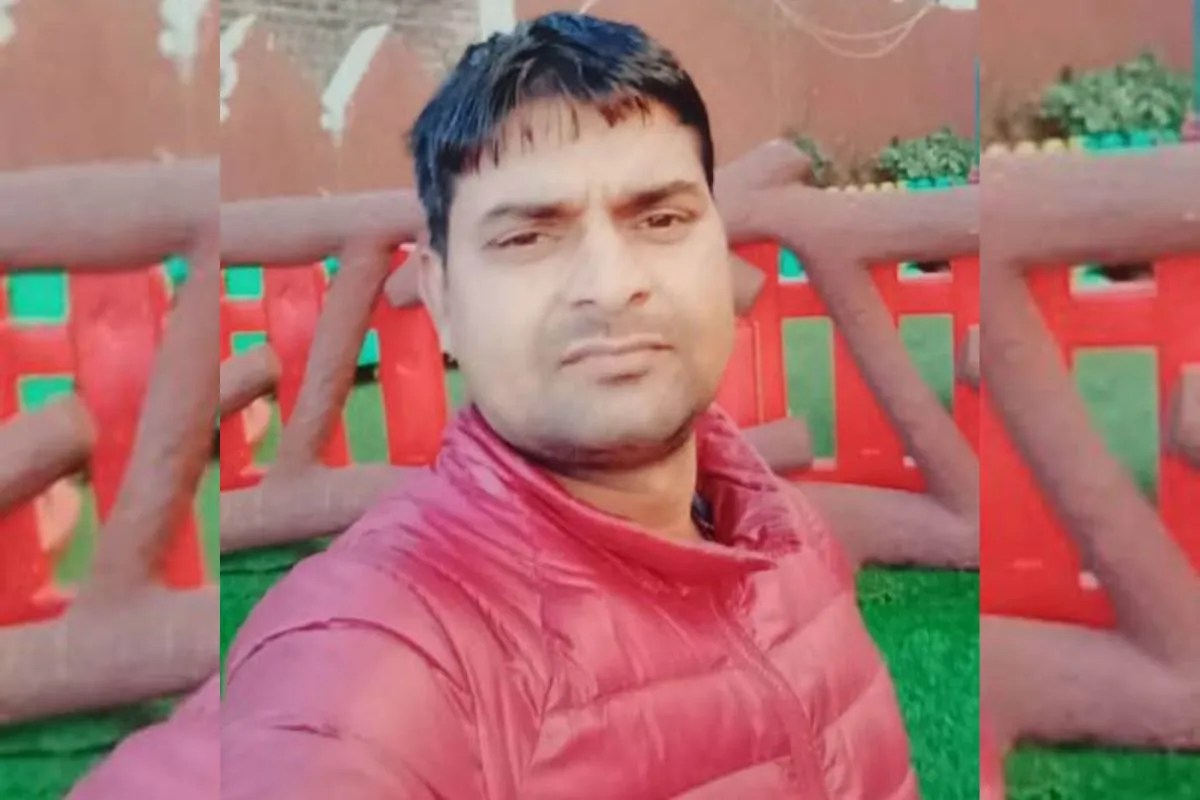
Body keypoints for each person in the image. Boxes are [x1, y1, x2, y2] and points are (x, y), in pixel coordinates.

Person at [222, 13, 917, 799]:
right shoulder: (382, 649)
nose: (611, 285)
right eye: (527, 237)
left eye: (661, 219)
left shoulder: (786, 533)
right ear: (442, 299)